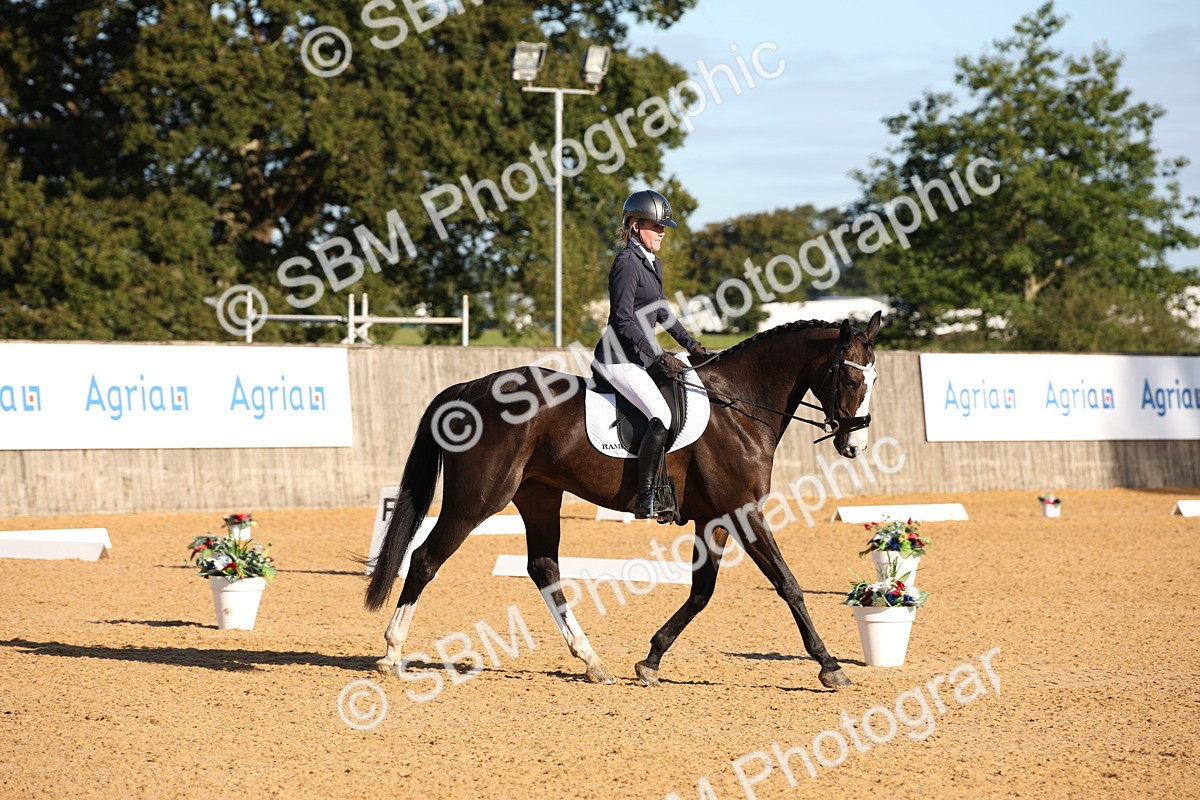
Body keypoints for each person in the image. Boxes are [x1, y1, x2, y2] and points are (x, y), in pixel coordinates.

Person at [593, 189, 708, 519]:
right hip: (618, 358)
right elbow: (623, 318)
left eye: (663, 227)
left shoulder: (650, 262)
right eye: (656, 226)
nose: (662, 232)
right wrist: (657, 354)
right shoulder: (627, 263)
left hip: (639, 357)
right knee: (662, 416)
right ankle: (647, 496)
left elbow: (661, 311)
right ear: (634, 225)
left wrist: (691, 344)